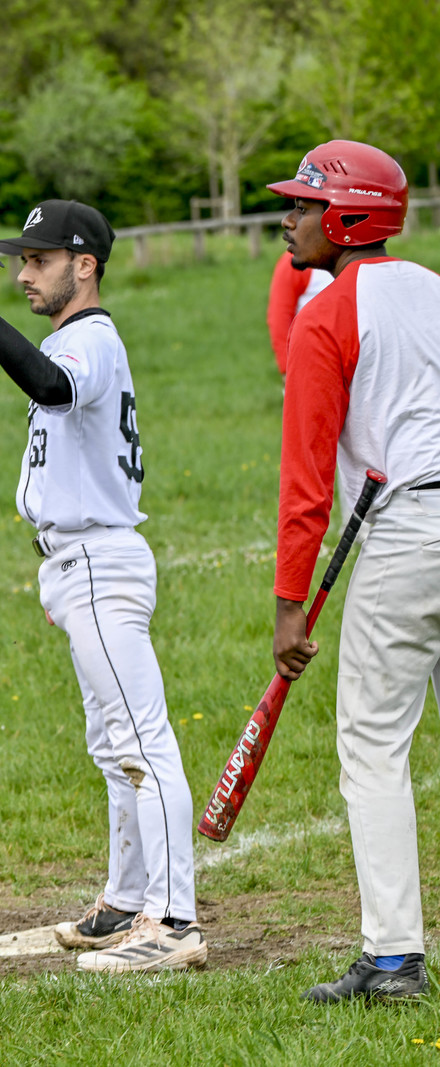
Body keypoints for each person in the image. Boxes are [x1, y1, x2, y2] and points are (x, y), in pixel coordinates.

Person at [0, 200, 205, 972]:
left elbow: (52, 387)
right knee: (112, 743)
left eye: (39, 259)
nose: (23, 272)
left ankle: (175, 920)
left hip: (98, 559)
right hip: (77, 562)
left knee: (140, 740)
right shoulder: (77, 338)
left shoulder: (89, 338)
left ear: (83, 265)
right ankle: (127, 899)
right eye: (21, 260)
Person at [268, 140, 440, 1004]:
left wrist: (289, 603)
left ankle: (393, 957)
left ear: (347, 218)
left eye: (303, 204)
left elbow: (304, 479)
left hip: (407, 533)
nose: (288, 219)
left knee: (372, 746)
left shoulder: (329, 311)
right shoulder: (435, 289)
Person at [266, 250, 332, 375]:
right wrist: (288, 368)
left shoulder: (356, 255)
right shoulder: (294, 262)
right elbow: (279, 317)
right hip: (311, 365)